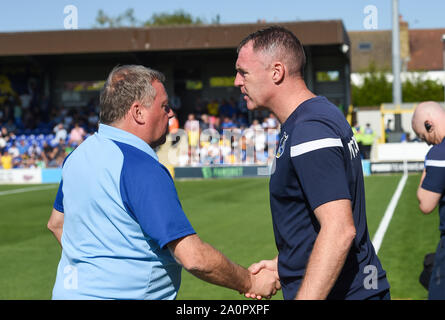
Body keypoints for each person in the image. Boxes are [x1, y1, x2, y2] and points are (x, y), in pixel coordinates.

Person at [47, 65, 279, 300]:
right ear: (138, 112)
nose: (170, 114)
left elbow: (57, 224)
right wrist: (250, 281)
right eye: (164, 106)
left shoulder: (77, 156)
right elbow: (194, 258)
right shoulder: (139, 166)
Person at [235, 26, 390, 300]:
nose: (237, 81)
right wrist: (286, 266)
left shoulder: (310, 129)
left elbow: (339, 230)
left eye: (243, 72)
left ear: (276, 71)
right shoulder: (316, 114)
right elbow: (311, 224)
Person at [412, 101, 445, 300]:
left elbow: (425, 203)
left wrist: (427, 164)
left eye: (423, 137)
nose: (427, 143)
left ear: (428, 124)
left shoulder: (439, 153)